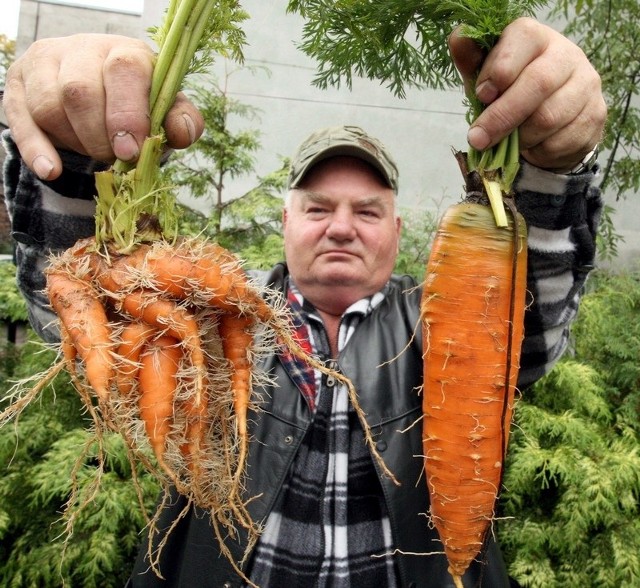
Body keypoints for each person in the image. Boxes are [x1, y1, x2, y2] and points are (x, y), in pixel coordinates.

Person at [2, 17, 605, 588]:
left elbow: (535, 330)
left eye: (367, 212)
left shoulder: (442, 328)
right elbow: (83, 314)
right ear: (285, 223)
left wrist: (552, 171)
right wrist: (75, 164)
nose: (341, 228)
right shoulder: (216, 323)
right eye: (318, 208)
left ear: (397, 234)